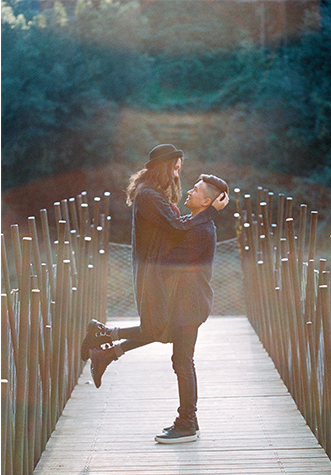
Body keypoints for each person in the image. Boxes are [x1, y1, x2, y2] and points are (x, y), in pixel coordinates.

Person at [81, 144, 228, 444]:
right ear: (165, 166)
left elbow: (178, 240)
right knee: (164, 337)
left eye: (196, 188)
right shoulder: (152, 198)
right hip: (178, 297)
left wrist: (209, 213)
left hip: (188, 303)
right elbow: (177, 229)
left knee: (177, 354)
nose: (182, 180)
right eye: (176, 168)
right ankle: (106, 346)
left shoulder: (198, 227)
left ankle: (187, 422)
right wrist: (210, 211)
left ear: (207, 200)